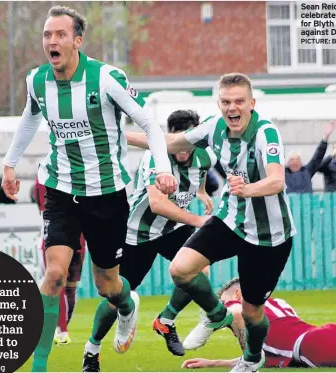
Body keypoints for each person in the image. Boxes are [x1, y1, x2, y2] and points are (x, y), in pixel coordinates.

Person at [1, 6, 177, 372]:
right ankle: (40, 365)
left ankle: (127, 306)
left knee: (107, 285)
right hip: (61, 190)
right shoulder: (36, 81)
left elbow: (148, 123)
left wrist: (163, 167)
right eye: (47, 35)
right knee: (53, 274)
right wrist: (9, 164)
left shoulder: (106, 79)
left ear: (77, 41)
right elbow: (29, 117)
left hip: (107, 195)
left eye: (60, 35)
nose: (52, 41)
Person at [126, 72, 296, 372]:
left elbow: (277, 180)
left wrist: (248, 189)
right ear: (219, 104)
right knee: (180, 268)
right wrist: (118, 136)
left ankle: (252, 358)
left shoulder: (265, 133)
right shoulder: (213, 127)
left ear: (252, 103)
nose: (233, 108)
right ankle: (215, 315)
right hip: (230, 220)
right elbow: (170, 142)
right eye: (226, 101)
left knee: (253, 311)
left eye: (240, 101)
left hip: (271, 235)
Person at [83, 110, 215, 372]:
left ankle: (166, 320)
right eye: (177, 140)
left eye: (187, 142)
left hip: (173, 229)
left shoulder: (204, 155)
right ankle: (92, 351)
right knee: (115, 294)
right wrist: (198, 221)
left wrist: (200, 193)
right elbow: (157, 204)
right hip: (138, 232)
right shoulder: (155, 157)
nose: (183, 149)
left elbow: (200, 174)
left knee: (200, 269)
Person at [182, 277, 336, 369]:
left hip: (312, 345)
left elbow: (234, 311)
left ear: (237, 294)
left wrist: (216, 315)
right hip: (328, 332)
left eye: (224, 301)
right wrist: (213, 363)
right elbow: (261, 356)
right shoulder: (274, 303)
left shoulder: (240, 305)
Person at [32, 177, 84, 345]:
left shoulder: (45, 172)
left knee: (58, 281)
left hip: (55, 234)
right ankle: (61, 329)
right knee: (67, 285)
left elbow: (42, 206)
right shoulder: (79, 168)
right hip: (79, 236)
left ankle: (60, 329)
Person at [285, 121, 335, 193]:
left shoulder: (307, 170)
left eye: (297, 160)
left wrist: (325, 137)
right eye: (292, 160)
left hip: (306, 203)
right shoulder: (282, 174)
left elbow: (317, 157)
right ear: (288, 163)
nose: (295, 162)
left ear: (301, 162)